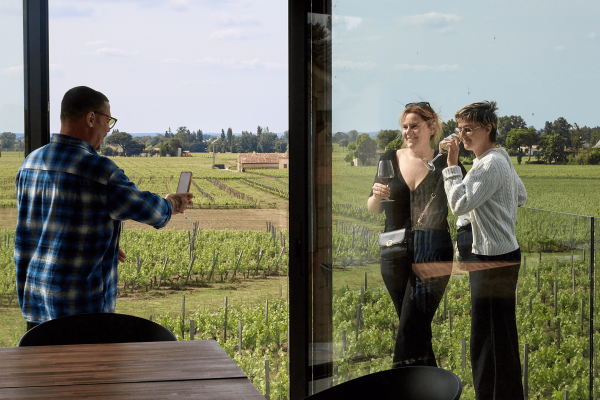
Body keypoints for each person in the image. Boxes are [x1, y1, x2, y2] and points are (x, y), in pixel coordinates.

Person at [14, 86, 193, 331]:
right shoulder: (99, 170)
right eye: (108, 120)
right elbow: (152, 212)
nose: (108, 130)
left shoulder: (30, 163)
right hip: (81, 312)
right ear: (91, 118)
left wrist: (102, 245)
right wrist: (173, 202)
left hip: (36, 302)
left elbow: (45, 226)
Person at [368, 102, 466, 367]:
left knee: (410, 327)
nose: (408, 132)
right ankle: (430, 383)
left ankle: (398, 383)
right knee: (414, 329)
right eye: (404, 127)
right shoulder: (389, 158)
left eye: (414, 126)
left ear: (431, 127)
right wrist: (376, 196)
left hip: (433, 251)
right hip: (393, 253)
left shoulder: (446, 162)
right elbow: (374, 207)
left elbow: (464, 201)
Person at [442, 101, 527, 399]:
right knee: (500, 336)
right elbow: (520, 195)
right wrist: (492, 212)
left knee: (487, 339)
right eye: (460, 129)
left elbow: (459, 204)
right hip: (502, 255)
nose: (462, 135)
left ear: (488, 128)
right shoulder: (499, 157)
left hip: (492, 260)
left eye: (469, 129)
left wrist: (452, 165)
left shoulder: (489, 164)